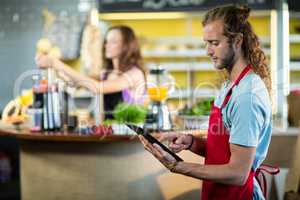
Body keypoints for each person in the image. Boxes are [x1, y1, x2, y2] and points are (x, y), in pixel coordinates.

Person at [139, 5, 278, 200]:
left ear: (237, 41)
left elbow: (238, 173)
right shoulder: (231, 85)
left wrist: (178, 166)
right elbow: (224, 153)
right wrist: (192, 142)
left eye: (214, 43)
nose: (208, 51)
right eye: (206, 43)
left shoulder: (247, 97)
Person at [36, 25, 146, 119]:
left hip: (130, 135)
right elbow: (76, 83)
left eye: (113, 41)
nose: (106, 45)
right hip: (109, 132)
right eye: (106, 41)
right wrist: (55, 68)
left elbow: (97, 87)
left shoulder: (135, 74)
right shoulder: (106, 74)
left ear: (127, 45)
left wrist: (57, 64)